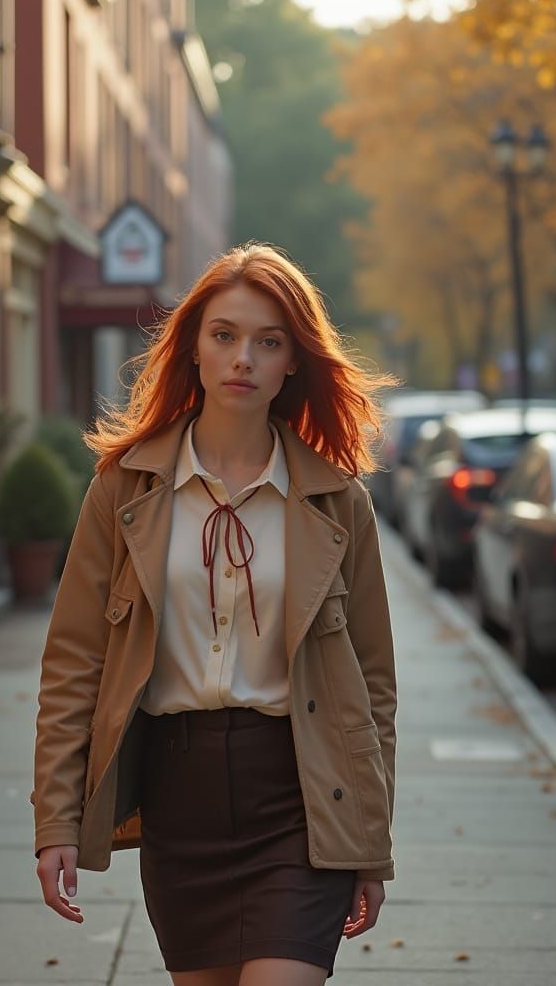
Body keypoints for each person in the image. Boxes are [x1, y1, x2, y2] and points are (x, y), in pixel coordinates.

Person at [33, 243, 398, 986]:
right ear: (193, 347)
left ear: (293, 361)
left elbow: (373, 686)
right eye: (225, 335)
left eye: (269, 342)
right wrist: (56, 820)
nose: (243, 359)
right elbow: (74, 662)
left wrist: (369, 841)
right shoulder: (125, 489)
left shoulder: (337, 502)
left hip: (300, 792)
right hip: (179, 797)